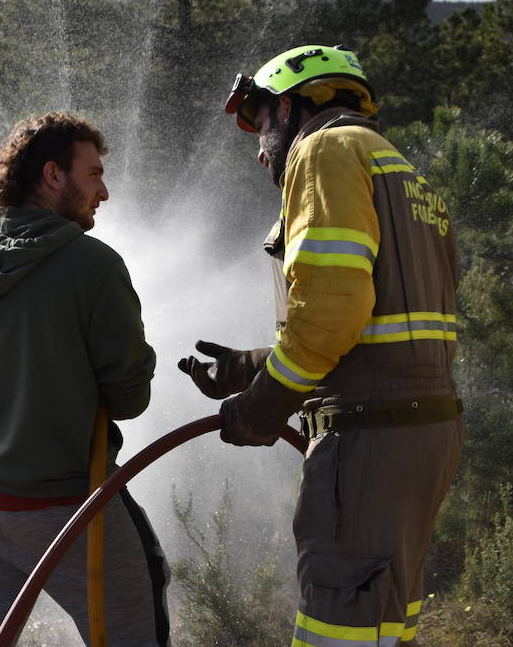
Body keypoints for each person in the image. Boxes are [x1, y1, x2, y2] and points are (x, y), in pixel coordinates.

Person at [179, 44, 462, 647]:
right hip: (421, 433)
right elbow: (379, 327)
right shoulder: (405, 174)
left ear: (287, 109)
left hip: (367, 441)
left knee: (339, 630)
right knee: (383, 627)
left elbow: (333, 311)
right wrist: (251, 366)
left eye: (259, 128)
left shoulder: (323, 149)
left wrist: (263, 405)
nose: (259, 152)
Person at [0, 111, 170, 647]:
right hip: (66, 507)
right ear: (53, 175)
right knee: (135, 621)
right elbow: (129, 399)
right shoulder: (92, 266)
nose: (105, 191)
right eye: (94, 174)